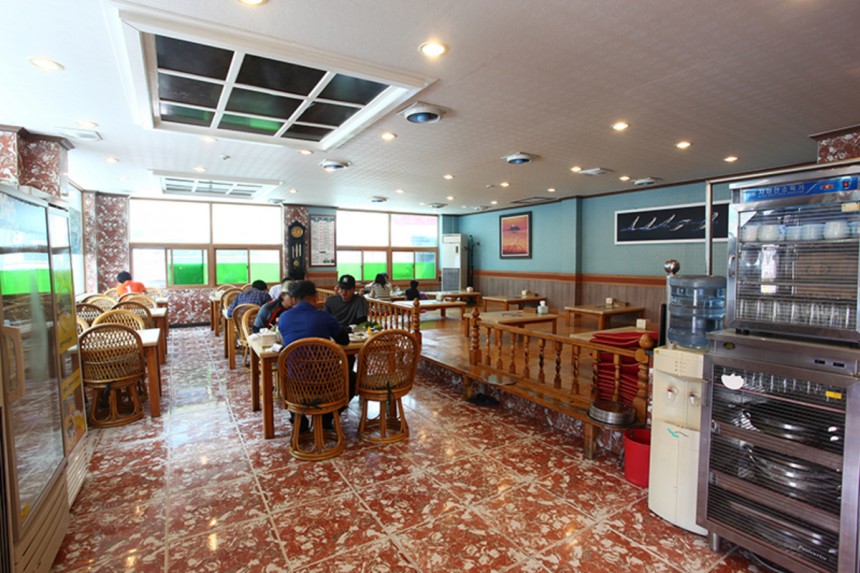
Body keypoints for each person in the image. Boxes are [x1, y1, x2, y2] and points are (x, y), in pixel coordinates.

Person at [278, 280, 350, 430]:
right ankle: (326, 418)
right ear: (315, 298)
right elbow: (344, 340)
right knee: (353, 378)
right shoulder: (324, 317)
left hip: (294, 384)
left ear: (293, 299)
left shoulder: (284, 318)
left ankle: (298, 418)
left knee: (288, 369)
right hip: (327, 382)